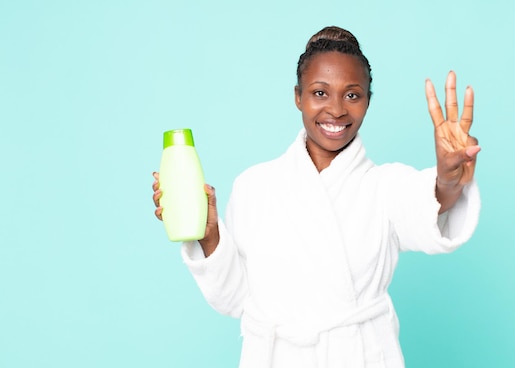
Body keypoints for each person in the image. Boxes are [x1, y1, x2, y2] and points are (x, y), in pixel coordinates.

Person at [152, 26, 480, 368]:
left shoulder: (385, 186)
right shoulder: (254, 185)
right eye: (320, 93)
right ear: (298, 96)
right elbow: (235, 300)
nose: (336, 110)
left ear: (368, 100)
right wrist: (210, 235)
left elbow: (427, 203)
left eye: (352, 95)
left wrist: (448, 180)